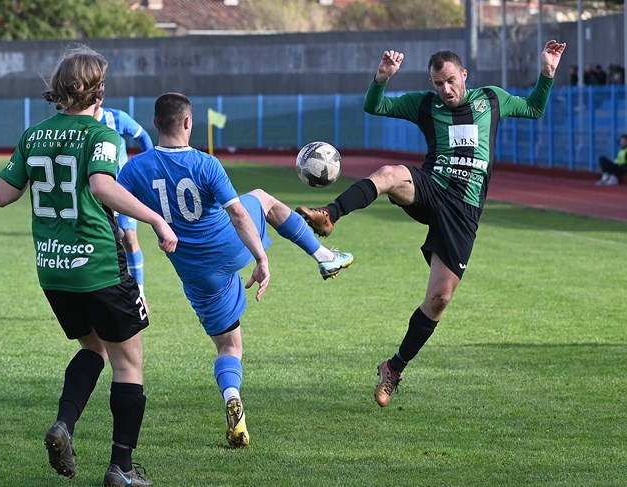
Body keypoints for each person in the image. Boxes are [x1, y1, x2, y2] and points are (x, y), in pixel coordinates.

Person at [296, 40, 566, 408]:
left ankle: (393, 368)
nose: (446, 90)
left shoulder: (492, 99)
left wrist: (548, 71)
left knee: (439, 299)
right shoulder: (425, 104)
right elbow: (374, 105)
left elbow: (534, 108)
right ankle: (330, 214)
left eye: (451, 81)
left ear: (464, 75)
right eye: (438, 83)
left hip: (463, 211)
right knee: (391, 173)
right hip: (431, 187)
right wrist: (382, 77)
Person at [118, 92, 354, 448]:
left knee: (228, 346)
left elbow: (118, 216)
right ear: (188, 123)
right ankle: (323, 255)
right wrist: (261, 258)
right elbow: (239, 214)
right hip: (230, 246)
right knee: (261, 197)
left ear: (155, 123)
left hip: (195, 270)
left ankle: (231, 394)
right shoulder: (206, 164)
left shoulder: (133, 169)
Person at [0, 44, 178, 487]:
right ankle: (122, 469)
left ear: (58, 89)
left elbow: (2, 193)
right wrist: (154, 218)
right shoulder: (103, 135)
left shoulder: (33, 134)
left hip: (52, 269)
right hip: (97, 263)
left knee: (92, 349)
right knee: (129, 363)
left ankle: (64, 425)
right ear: (99, 90)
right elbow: (101, 186)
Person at [95, 97, 154, 302]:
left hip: (121, 191)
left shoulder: (116, 118)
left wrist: (149, 166)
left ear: (99, 98)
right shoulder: (79, 122)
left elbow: (143, 136)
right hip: (92, 194)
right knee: (101, 244)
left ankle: (140, 293)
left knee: (129, 238)